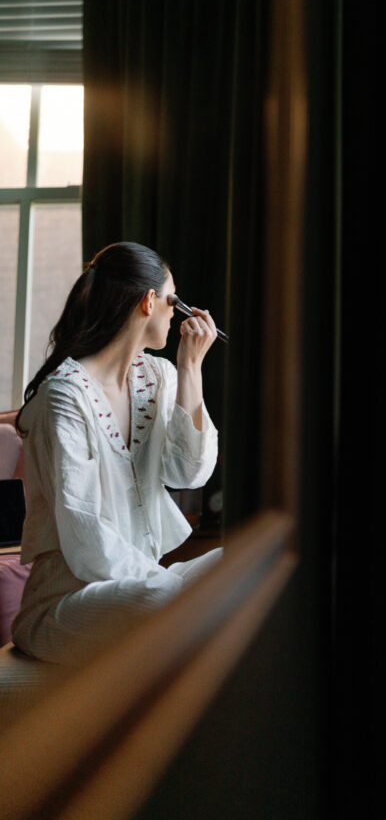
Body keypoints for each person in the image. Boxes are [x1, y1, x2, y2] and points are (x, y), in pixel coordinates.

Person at [12, 241, 222, 664]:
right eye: (172, 300)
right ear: (149, 302)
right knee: (161, 595)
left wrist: (190, 368)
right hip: (65, 604)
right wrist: (176, 592)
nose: (175, 313)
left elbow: (189, 473)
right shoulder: (65, 396)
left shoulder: (158, 376)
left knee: (233, 561)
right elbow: (85, 535)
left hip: (141, 583)